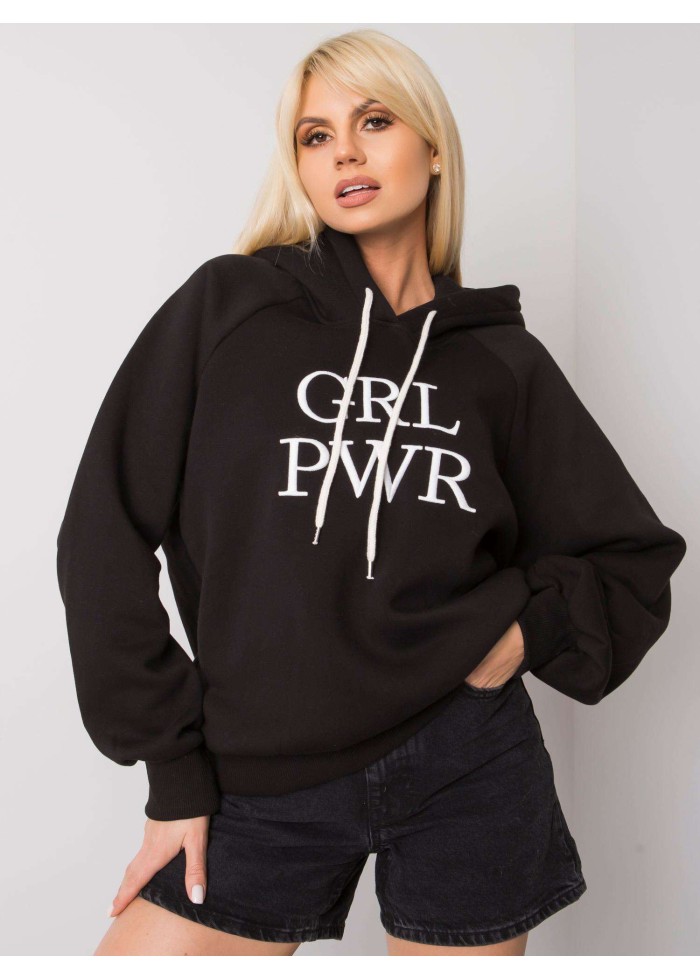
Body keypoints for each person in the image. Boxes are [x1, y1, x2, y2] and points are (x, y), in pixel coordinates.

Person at [56, 29, 687, 957]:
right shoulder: (231, 309)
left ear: (433, 150)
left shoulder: (498, 359)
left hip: (468, 764)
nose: (345, 153)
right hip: (257, 772)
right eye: (316, 136)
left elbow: (631, 554)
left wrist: (523, 634)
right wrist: (173, 769)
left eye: (375, 121)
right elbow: (101, 532)